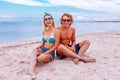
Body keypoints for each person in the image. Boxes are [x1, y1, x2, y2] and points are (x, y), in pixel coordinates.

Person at [30, 13, 60, 79]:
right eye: (46, 19)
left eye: (49, 18)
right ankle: (31, 72)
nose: (48, 20)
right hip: (43, 49)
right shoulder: (44, 31)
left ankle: (34, 61)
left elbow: (56, 46)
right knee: (34, 51)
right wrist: (38, 47)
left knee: (40, 58)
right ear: (44, 22)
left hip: (50, 52)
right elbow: (43, 44)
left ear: (52, 20)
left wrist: (45, 53)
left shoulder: (56, 31)